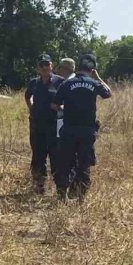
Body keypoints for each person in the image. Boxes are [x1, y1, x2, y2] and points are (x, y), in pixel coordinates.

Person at [51, 53, 112, 199]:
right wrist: (97, 78)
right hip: (87, 131)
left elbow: (54, 105)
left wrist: (65, 109)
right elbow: (108, 93)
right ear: (92, 69)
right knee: (84, 164)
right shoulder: (94, 83)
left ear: (78, 67)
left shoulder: (67, 84)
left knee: (65, 162)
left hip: (69, 130)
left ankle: (62, 195)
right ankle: (79, 195)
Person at [24, 54, 64, 194]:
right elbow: (27, 96)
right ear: (38, 68)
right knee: (38, 154)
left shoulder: (60, 81)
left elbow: (68, 99)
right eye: (41, 65)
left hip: (54, 125)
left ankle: (59, 186)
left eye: (47, 64)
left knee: (56, 154)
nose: (44, 67)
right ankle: (39, 185)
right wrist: (31, 108)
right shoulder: (34, 82)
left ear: (51, 66)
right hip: (37, 125)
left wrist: (62, 108)